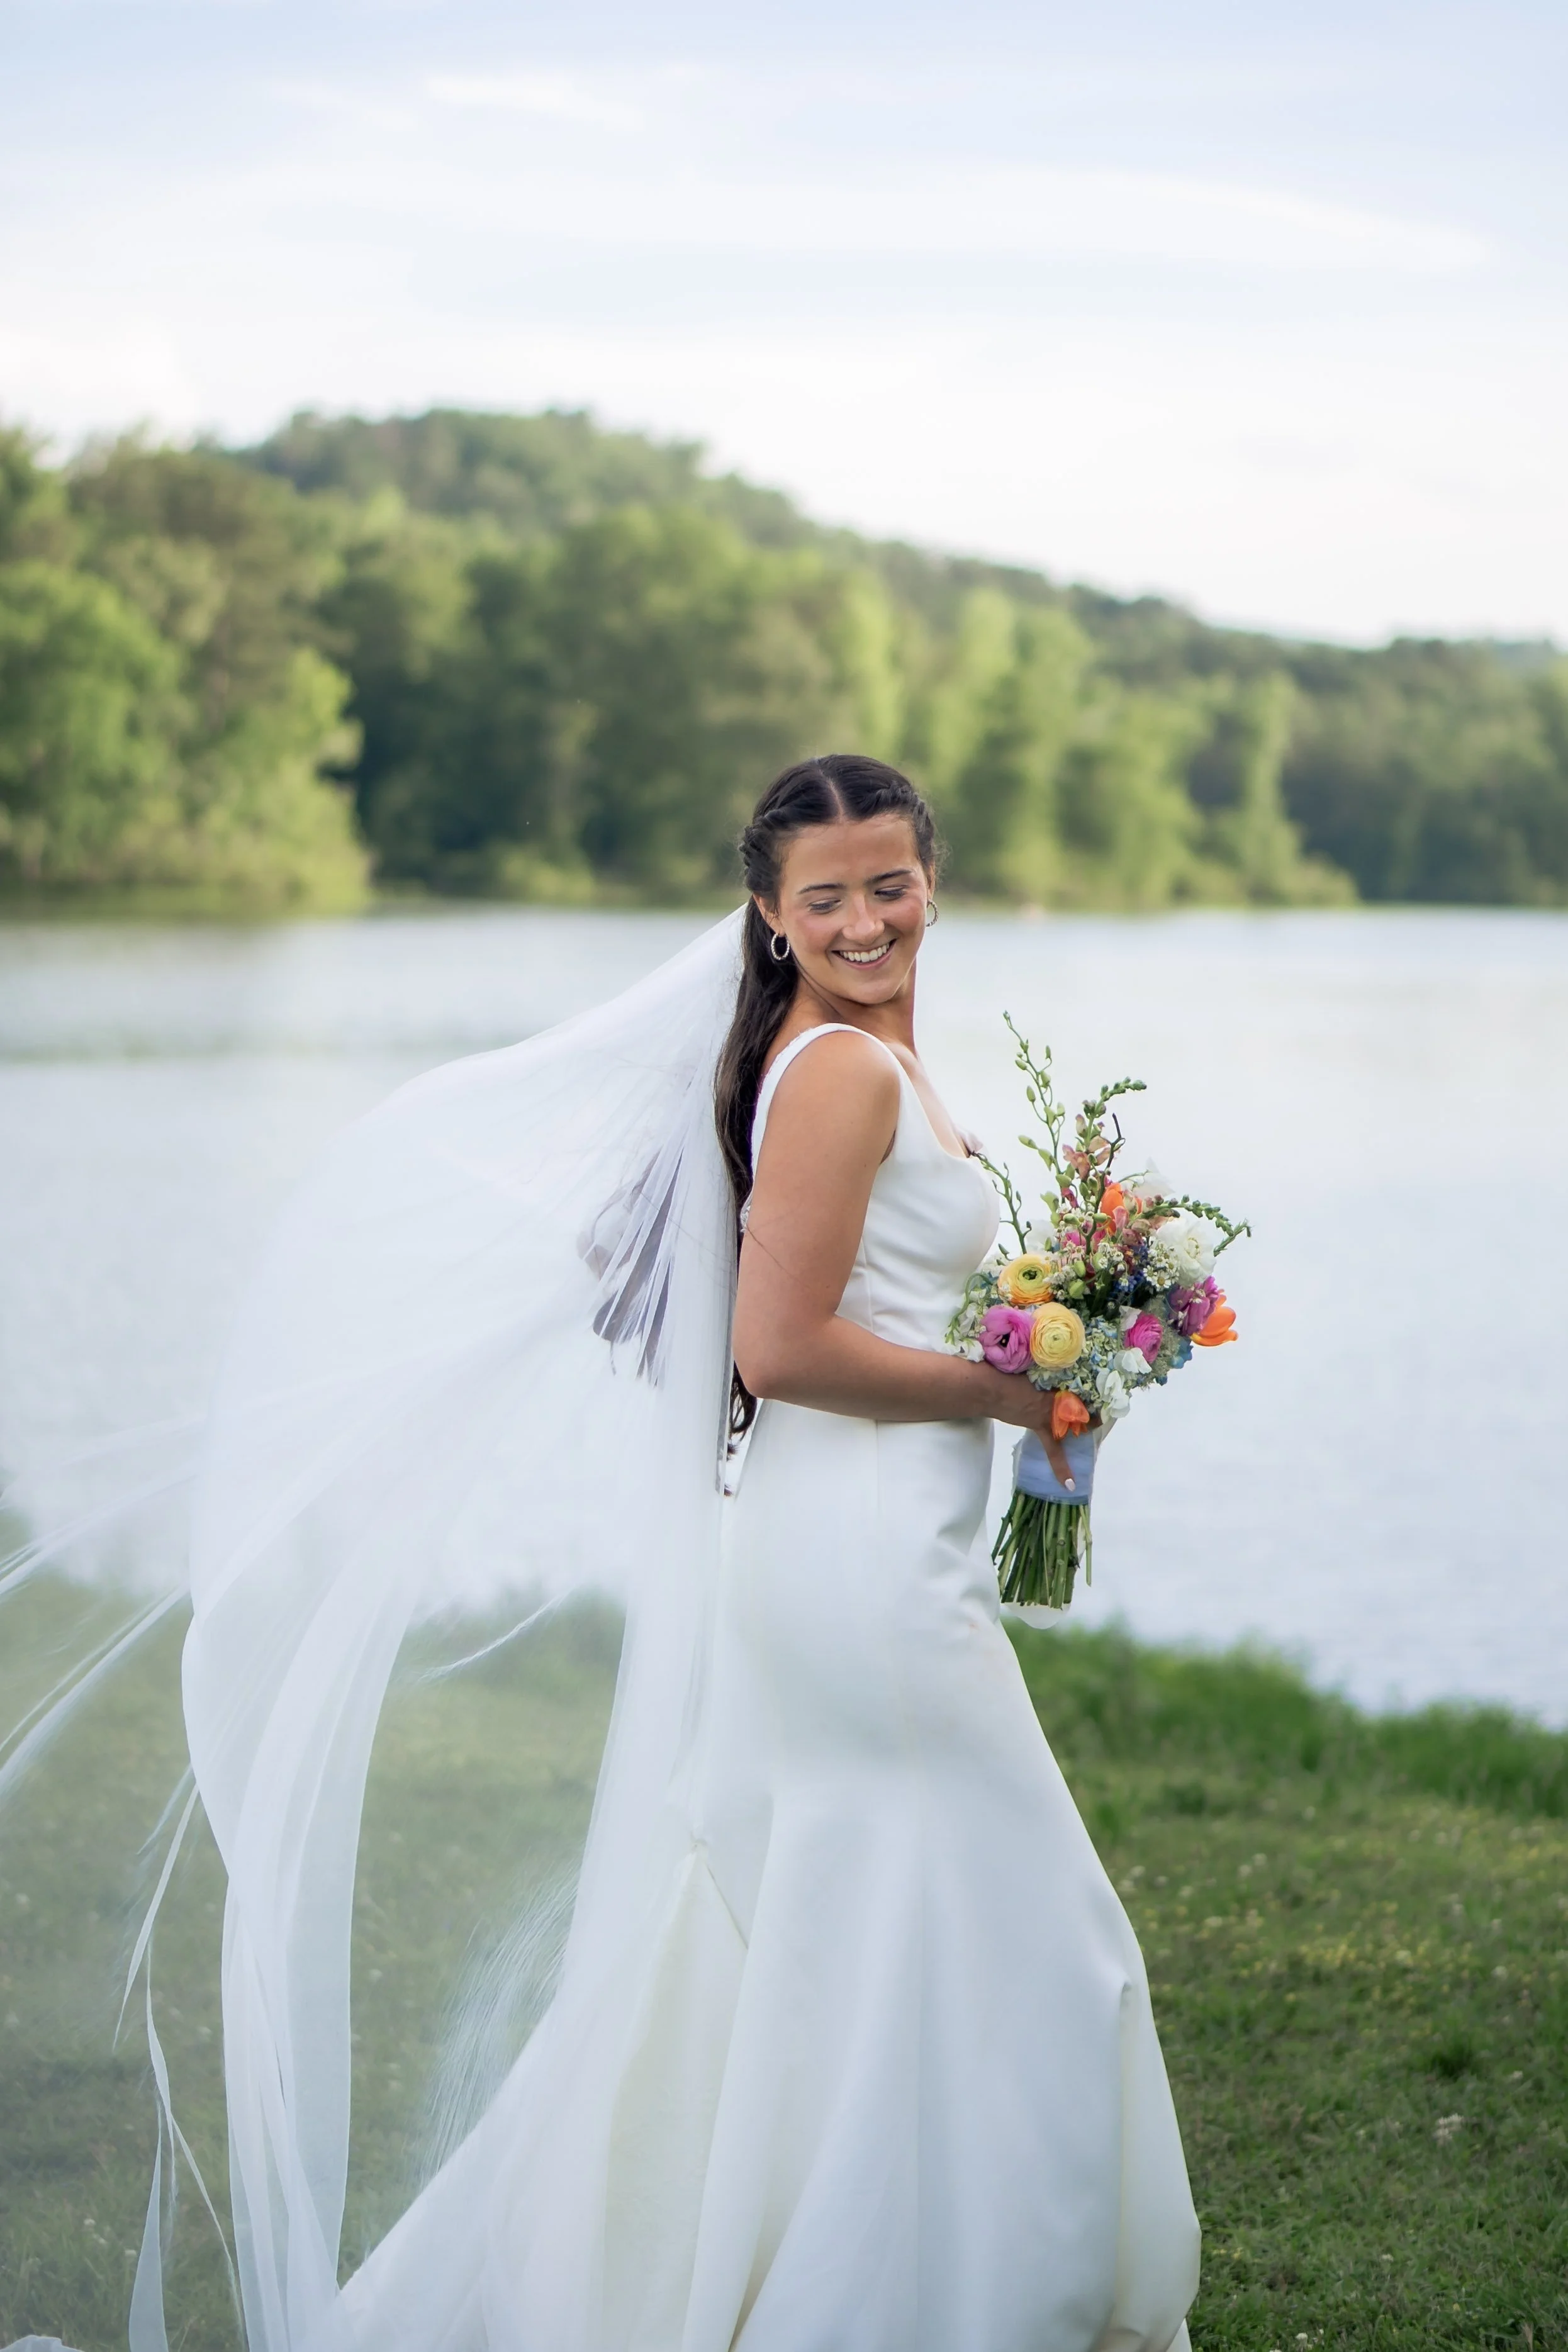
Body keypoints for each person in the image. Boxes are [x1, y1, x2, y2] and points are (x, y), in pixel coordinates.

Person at [106, 756, 1200, 2351]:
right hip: (864, 1566)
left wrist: (1047, 1349)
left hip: (871, 1544)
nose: (864, 919)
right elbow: (775, 1344)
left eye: (887, 884)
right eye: (822, 898)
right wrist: (1013, 1383)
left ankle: (864, 2269)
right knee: (1016, 1915)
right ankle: (924, 2295)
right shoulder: (837, 1074)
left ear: (930, 879)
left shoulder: (869, 1059)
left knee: (885, 1911)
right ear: (768, 914)